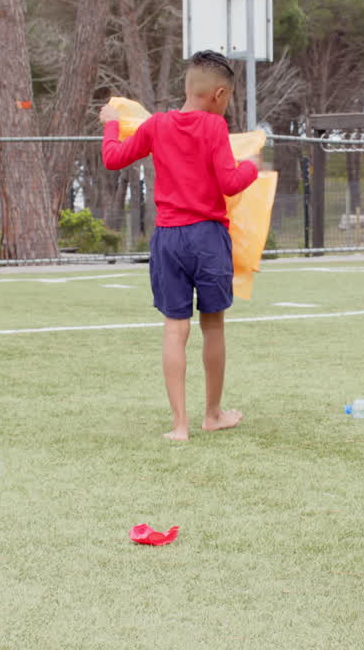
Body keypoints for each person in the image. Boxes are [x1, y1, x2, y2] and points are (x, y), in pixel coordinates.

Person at [100, 50, 259, 441]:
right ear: (219, 94)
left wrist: (110, 125)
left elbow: (112, 158)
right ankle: (213, 413)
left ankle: (179, 425)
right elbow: (229, 183)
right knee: (214, 325)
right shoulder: (213, 128)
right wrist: (254, 165)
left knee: (174, 330)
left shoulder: (157, 125)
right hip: (207, 237)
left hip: (168, 238)